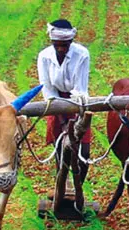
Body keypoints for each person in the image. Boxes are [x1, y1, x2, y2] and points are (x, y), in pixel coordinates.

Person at [37, 19, 92, 189]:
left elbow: (80, 89)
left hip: (78, 102)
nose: (61, 48)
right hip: (55, 103)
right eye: (57, 45)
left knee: (83, 154)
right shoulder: (44, 56)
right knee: (61, 151)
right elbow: (48, 90)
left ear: (71, 41)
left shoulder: (82, 54)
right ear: (52, 42)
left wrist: (75, 123)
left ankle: (78, 189)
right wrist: (62, 122)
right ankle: (61, 186)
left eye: (65, 45)